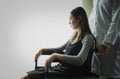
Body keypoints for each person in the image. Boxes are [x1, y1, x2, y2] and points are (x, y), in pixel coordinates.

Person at [21, 6, 96, 79]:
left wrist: (55, 56)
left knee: (26, 78)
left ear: (79, 18)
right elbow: (60, 49)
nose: (69, 22)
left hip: (72, 72)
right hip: (62, 68)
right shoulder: (74, 35)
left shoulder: (88, 38)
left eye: (70, 18)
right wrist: (43, 50)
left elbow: (80, 60)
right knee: (24, 76)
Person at [91, 0, 120, 79]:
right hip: (96, 42)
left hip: (110, 44)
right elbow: (93, 18)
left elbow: (116, 22)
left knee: (112, 74)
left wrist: (106, 44)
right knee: (98, 72)